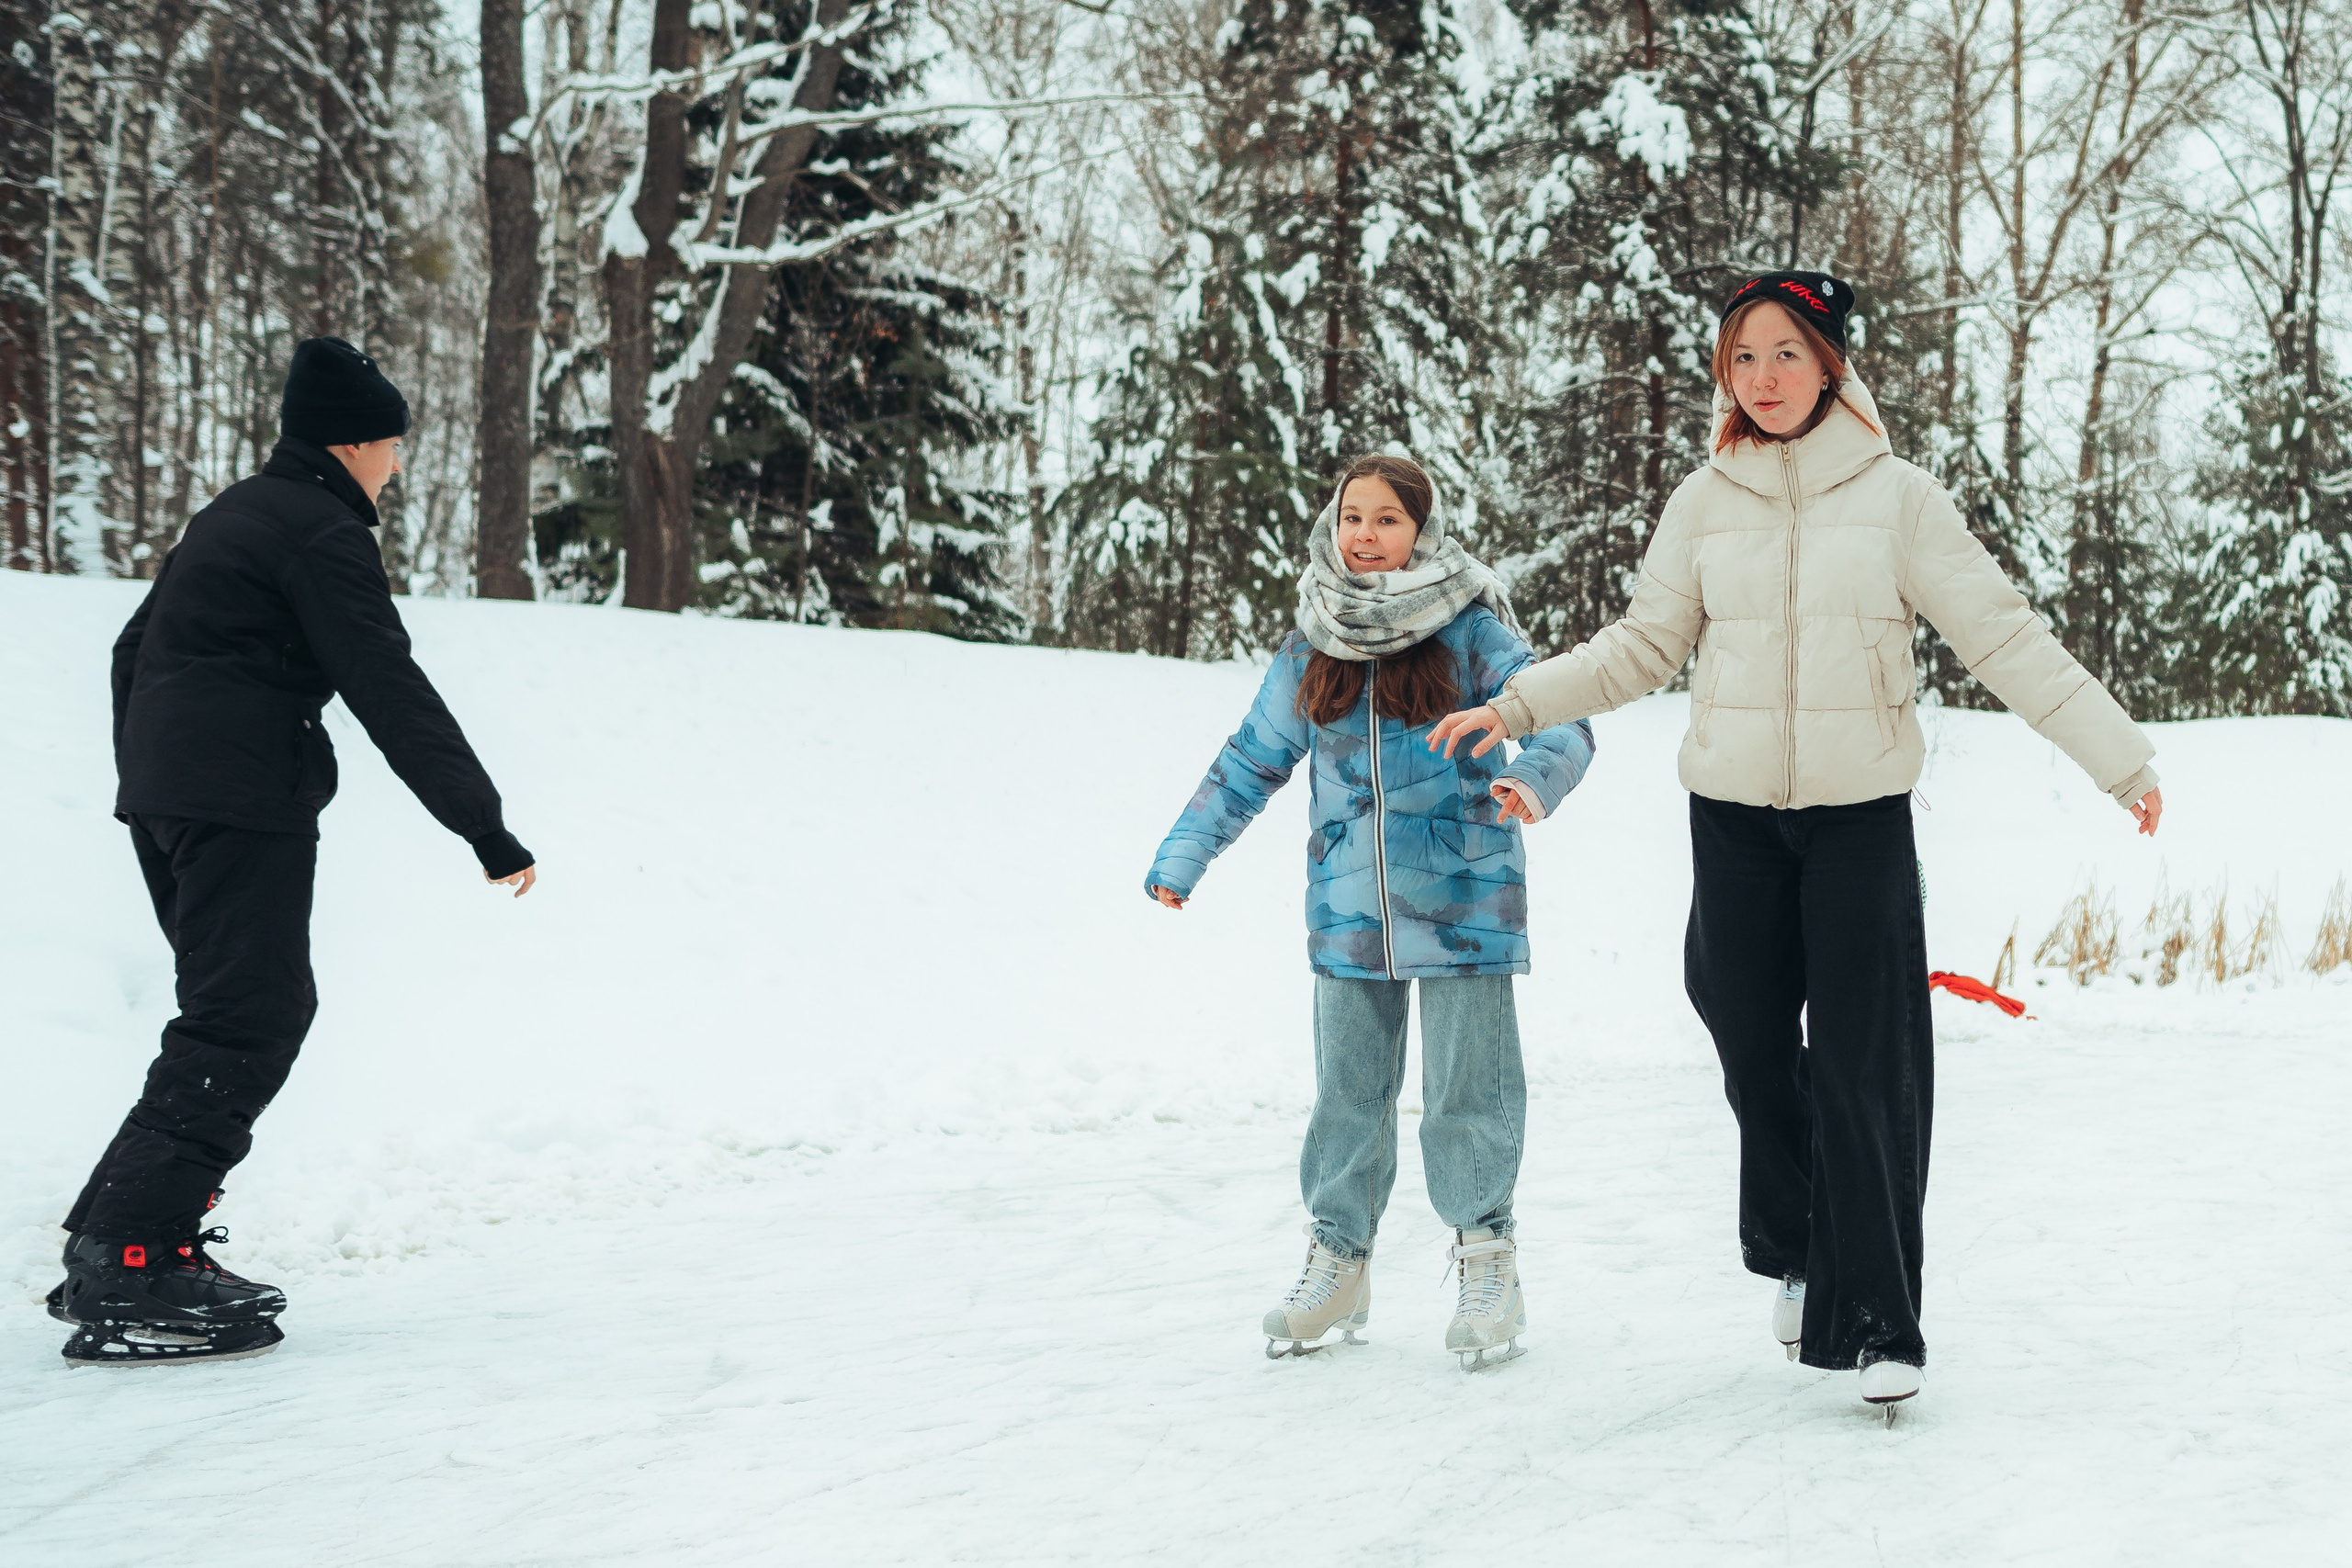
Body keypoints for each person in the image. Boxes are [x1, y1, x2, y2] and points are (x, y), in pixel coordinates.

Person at [1428, 273, 2163, 1417]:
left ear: (1830, 364)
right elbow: (1641, 645)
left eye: (1785, 353)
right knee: (1746, 1030)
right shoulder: (1702, 500)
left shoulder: (1899, 499)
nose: (1763, 377)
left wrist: (2119, 759)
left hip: (1858, 820)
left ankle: (1879, 1321)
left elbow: (2002, 635)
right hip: (1731, 821)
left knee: (1866, 1064)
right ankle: (1798, 1242)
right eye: (1743, 357)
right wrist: (1518, 704)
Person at [46, 336, 540, 1367]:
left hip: (172, 797)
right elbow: (386, 683)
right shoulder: (320, 531)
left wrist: (155, 770)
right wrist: (482, 825)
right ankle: (132, 1256)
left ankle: (122, 1239)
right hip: (240, 798)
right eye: (392, 444)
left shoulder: (232, 514)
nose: (396, 463)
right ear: (352, 442)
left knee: (230, 1013)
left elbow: (132, 650)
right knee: (250, 1016)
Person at [1145, 453, 1597, 1370]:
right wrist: (1185, 851)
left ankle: (1488, 1260)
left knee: (1466, 1097)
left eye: (1387, 519)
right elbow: (1252, 758)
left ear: (1422, 533)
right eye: (1353, 516)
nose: (1365, 535)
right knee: (1347, 1098)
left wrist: (1533, 778)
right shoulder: (1316, 636)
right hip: (1349, 915)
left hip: (1466, 906)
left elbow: (1562, 716)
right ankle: (1338, 1260)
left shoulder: (1470, 630)